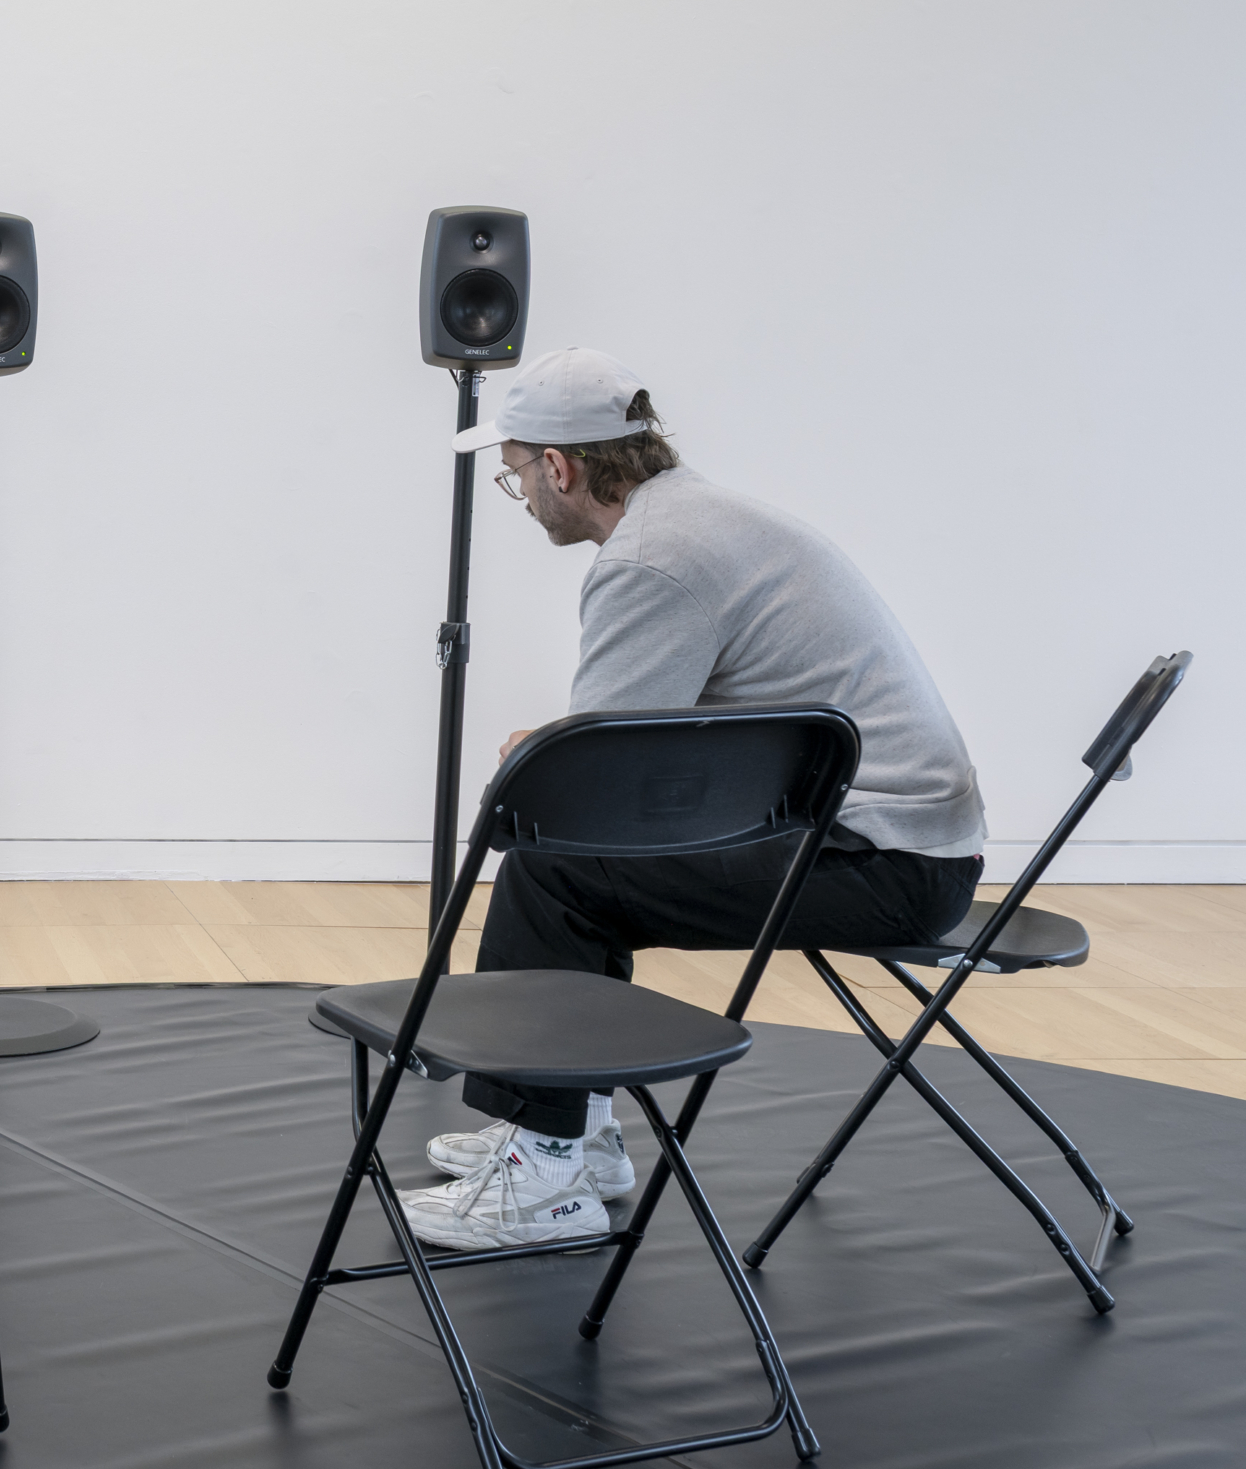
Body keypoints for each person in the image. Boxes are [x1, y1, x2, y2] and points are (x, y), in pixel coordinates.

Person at [399, 347, 986, 1251]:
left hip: (880, 858)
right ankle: (575, 1136)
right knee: (571, 867)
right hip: (900, 839)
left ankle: (548, 1166)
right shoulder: (698, 516)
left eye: (516, 474)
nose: (522, 495)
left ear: (560, 466)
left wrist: (546, 759)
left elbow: (595, 792)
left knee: (553, 869)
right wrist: (568, 750)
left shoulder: (648, 561)